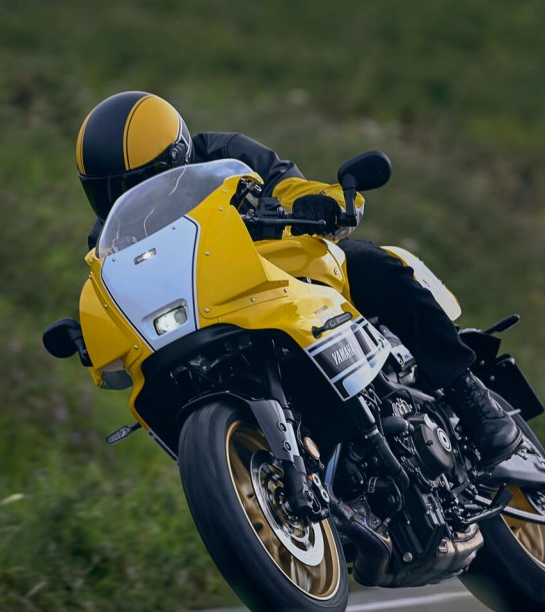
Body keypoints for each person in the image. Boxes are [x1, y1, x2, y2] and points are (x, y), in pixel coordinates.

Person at [74, 90, 520, 469]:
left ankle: (465, 390)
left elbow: (285, 183)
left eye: (139, 183)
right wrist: (94, 327)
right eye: (108, 190)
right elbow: (116, 288)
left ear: (176, 158)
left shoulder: (226, 156)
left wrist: (321, 203)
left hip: (277, 271)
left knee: (371, 264)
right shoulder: (110, 236)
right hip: (207, 314)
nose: (124, 199)